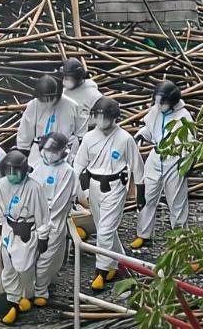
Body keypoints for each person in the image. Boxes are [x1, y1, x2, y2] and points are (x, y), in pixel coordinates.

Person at [74, 97, 144, 291]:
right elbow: (78, 164)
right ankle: (120, 263)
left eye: (105, 116)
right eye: (98, 116)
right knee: (104, 228)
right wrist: (73, 188)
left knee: (104, 231)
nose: (102, 120)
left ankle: (101, 271)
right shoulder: (89, 138)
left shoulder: (125, 139)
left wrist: (141, 191)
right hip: (94, 185)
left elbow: (137, 166)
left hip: (115, 186)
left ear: (114, 118)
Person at [131, 80, 195, 249]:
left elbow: (190, 142)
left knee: (177, 199)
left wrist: (187, 162)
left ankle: (180, 236)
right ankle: (144, 234)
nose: (159, 106)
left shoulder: (184, 116)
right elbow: (150, 128)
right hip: (156, 155)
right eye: (157, 102)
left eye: (162, 102)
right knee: (147, 195)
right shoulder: (156, 110)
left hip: (175, 159)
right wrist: (141, 135)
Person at [0, 150, 51, 325]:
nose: (11, 175)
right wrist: (1, 227)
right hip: (8, 230)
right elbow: (0, 209)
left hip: (27, 231)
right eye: (8, 171)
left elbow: (42, 215)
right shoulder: (2, 184)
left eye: (15, 171)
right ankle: (13, 301)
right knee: (8, 268)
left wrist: (43, 237)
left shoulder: (34, 188)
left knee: (25, 268)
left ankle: (28, 294)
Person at [31, 131, 81, 306]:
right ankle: (36, 286)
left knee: (48, 257)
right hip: (33, 219)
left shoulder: (67, 172)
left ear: (62, 151)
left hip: (53, 221)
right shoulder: (37, 167)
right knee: (34, 256)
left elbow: (60, 201)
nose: (50, 154)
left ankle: (40, 291)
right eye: (47, 150)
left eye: (54, 151)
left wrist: (43, 218)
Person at [17, 74, 87, 168]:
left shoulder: (72, 106)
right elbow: (25, 132)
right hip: (40, 148)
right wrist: (23, 150)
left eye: (50, 98)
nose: (47, 101)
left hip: (64, 149)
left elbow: (81, 133)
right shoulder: (33, 105)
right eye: (44, 98)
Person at [59, 57, 103, 128]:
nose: (64, 80)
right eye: (64, 76)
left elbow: (101, 117)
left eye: (67, 78)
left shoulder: (92, 94)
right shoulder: (64, 91)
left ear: (77, 77)